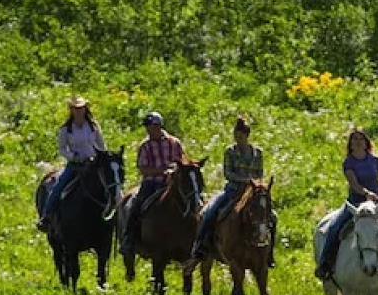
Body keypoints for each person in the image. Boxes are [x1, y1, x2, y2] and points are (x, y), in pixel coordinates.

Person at [313, 128, 378, 281]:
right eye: (354, 139)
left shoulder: (375, 160)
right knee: (333, 229)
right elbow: (354, 183)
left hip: (377, 204)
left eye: (360, 139)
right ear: (350, 143)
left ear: (366, 142)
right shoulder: (348, 162)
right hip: (355, 205)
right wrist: (366, 194)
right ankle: (325, 265)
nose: (357, 142)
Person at [188, 116, 274, 266]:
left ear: (247, 136)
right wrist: (246, 180)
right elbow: (228, 173)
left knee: (272, 217)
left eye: (241, 137)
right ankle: (201, 246)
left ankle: (269, 252)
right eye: (236, 136)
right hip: (233, 191)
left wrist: (254, 184)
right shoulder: (230, 152)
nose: (238, 140)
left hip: (252, 193)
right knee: (210, 212)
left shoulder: (257, 153)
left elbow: (259, 173)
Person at [121, 112, 187, 256]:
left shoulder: (174, 143)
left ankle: (194, 240)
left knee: (191, 201)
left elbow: (183, 162)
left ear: (159, 126)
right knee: (136, 205)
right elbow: (143, 169)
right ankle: (129, 238)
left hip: (172, 183)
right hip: (152, 183)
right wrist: (162, 171)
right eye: (149, 128)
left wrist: (174, 172)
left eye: (153, 127)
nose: (150, 131)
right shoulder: (145, 146)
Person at [37, 97, 107, 231]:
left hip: (93, 164)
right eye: (76, 108)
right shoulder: (66, 129)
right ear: (72, 110)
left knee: (110, 184)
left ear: (85, 109)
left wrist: (99, 157)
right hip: (75, 165)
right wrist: (73, 156)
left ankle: (117, 215)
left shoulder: (93, 126)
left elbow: (101, 144)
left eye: (81, 108)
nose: (79, 111)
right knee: (58, 186)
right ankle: (46, 216)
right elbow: (62, 148)